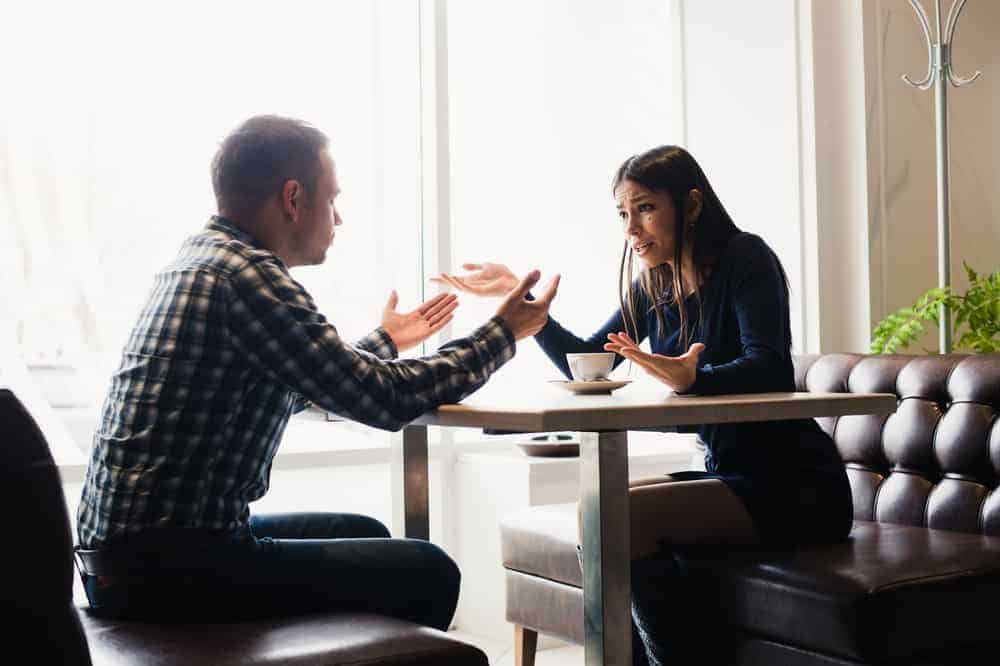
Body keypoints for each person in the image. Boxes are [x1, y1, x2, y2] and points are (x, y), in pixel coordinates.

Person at [74, 115, 560, 628]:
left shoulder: (201, 258)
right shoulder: (248, 277)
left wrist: (387, 341)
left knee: (366, 533)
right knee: (429, 570)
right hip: (169, 568)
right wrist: (502, 333)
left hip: (124, 559)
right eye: (333, 199)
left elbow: (301, 383)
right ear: (293, 198)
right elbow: (385, 401)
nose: (339, 218)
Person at [434, 145, 852, 665]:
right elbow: (589, 364)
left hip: (798, 485)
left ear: (692, 205)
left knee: (616, 520)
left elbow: (769, 367)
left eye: (645, 208)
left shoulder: (747, 258)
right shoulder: (653, 283)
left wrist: (695, 376)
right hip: (733, 475)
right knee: (604, 512)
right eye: (623, 214)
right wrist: (530, 315)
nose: (632, 228)